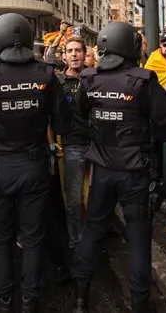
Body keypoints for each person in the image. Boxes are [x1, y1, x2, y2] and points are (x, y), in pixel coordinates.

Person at [0, 13, 72, 313]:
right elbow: (62, 124)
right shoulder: (46, 73)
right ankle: (30, 300)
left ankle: (4, 301)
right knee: (34, 237)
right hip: (35, 166)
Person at [72, 21, 166, 313]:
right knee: (138, 237)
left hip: (102, 171)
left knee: (92, 230)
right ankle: (140, 302)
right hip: (134, 173)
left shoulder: (89, 79)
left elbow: (80, 116)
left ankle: (81, 298)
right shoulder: (143, 80)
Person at [51, 37, 91, 251]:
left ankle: (94, 236)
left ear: (85, 54)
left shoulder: (95, 78)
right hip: (72, 147)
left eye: (78, 50)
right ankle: (77, 240)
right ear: (64, 56)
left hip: (97, 147)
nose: (74, 54)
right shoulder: (57, 82)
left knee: (96, 197)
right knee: (74, 199)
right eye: (70, 51)